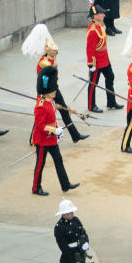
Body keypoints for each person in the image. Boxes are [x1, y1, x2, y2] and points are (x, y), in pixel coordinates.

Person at [23, 24, 88, 143]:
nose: (56, 51)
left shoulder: (51, 59)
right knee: (42, 116)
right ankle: (33, 139)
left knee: (64, 110)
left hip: (54, 89)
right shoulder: (45, 63)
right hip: (47, 91)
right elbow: (47, 78)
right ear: (48, 51)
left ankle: (75, 135)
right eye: (54, 50)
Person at [31, 66, 80, 196]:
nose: (55, 91)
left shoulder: (51, 102)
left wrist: (57, 131)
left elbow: (52, 119)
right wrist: (54, 130)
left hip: (51, 138)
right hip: (42, 140)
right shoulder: (40, 106)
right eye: (53, 89)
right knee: (40, 164)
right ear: (47, 91)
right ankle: (36, 187)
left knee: (58, 160)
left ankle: (65, 184)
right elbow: (40, 126)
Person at [86, 3, 120, 113]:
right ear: (95, 16)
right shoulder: (92, 30)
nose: (104, 15)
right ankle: (91, 105)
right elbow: (90, 49)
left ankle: (111, 102)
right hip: (96, 61)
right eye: (101, 13)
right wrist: (91, 64)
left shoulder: (100, 26)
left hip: (104, 58)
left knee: (110, 77)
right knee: (93, 83)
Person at [54, 199, 93, 263]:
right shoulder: (59, 227)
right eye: (70, 211)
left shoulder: (76, 220)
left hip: (80, 256)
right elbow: (64, 249)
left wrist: (86, 242)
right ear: (64, 214)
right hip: (69, 261)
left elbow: (83, 233)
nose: (73, 213)